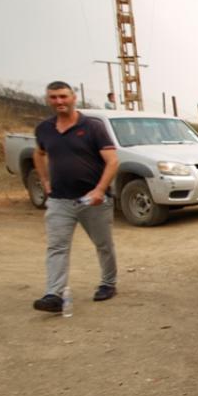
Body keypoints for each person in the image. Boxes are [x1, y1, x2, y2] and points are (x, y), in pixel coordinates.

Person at [32, 81, 120, 312]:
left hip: (92, 200)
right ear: (48, 100)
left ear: (73, 98)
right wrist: (45, 181)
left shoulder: (92, 127)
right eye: (53, 97)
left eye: (63, 96)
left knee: (103, 244)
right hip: (59, 200)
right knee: (57, 247)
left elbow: (112, 161)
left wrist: (100, 189)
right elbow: (38, 153)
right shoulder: (44, 129)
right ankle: (54, 294)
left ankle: (108, 283)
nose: (59, 101)